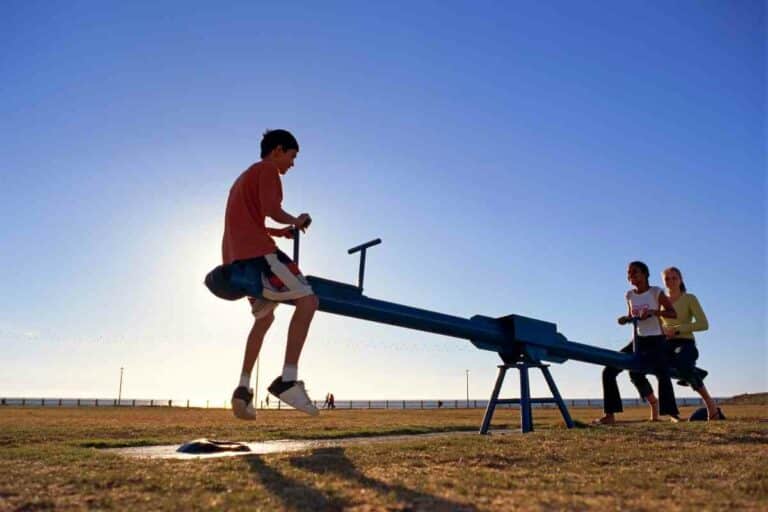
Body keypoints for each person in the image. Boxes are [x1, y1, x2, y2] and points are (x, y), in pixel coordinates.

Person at [223, 129, 320, 419]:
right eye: (292, 156)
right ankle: (288, 380)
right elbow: (271, 209)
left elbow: (251, 218)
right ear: (278, 150)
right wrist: (295, 220)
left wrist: (280, 231)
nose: (292, 164)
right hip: (258, 255)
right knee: (309, 300)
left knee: (264, 319)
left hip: (236, 259)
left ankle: (242, 389)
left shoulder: (243, 178)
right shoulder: (268, 170)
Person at [594, 261, 679, 425]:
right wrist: (625, 319)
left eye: (635, 272)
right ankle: (610, 415)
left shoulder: (656, 292)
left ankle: (672, 413)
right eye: (629, 273)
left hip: (656, 340)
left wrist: (654, 312)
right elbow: (632, 315)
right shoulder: (629, 295)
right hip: (638, 340)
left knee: (662, 373)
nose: (631, 276)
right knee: (609, 370)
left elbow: (672, 313)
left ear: (645, 274)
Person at [660, 266, 723, 420]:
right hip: (665, 343)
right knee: (657, 367)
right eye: (667, 279)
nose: (671, 281)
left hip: (685, 342)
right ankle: (673, 414)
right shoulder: (659, 300)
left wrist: (677, 329)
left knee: (684, 366)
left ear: (681, 280)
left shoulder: (690, 298)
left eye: (674, 278)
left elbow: (703, 324)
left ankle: (711, 407)